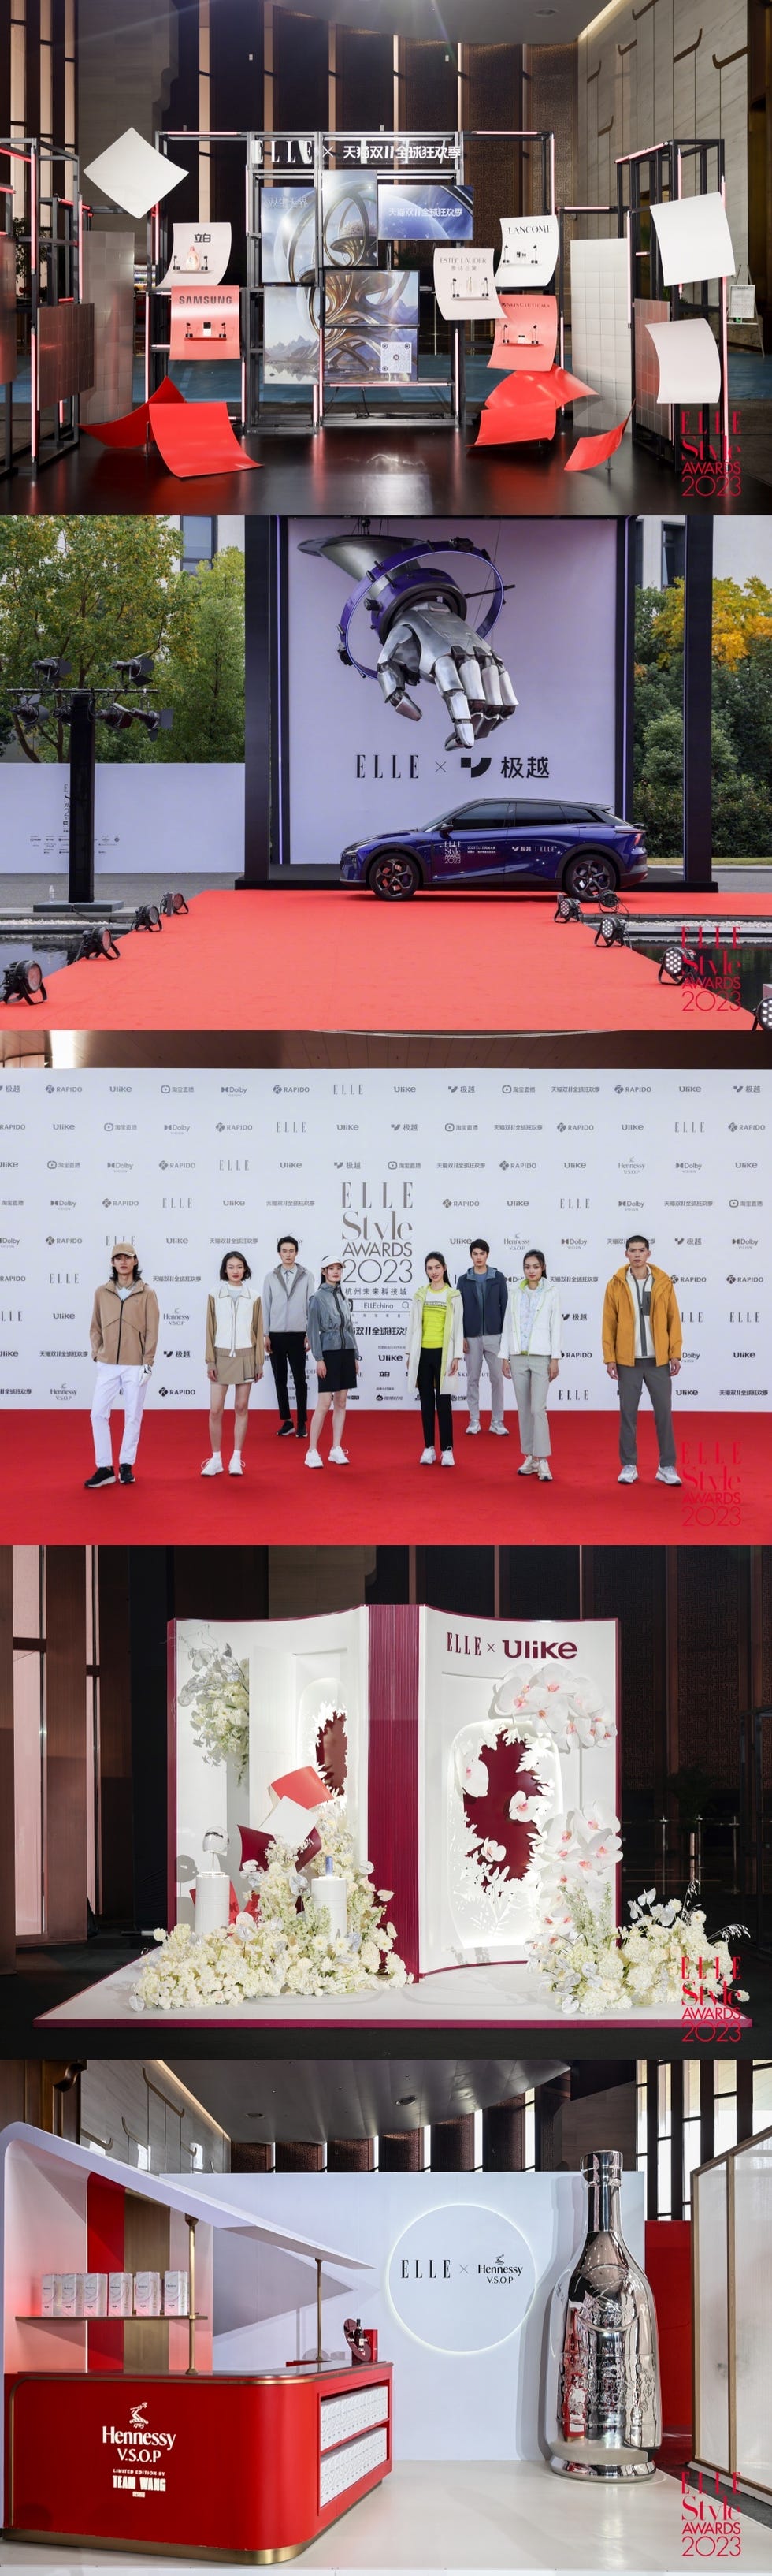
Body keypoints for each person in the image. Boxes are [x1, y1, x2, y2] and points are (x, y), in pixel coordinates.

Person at [602, 1234, 682, 1486]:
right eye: (632, 1250)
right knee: (628, 1414)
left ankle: (667, 1466)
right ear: (625, 1254)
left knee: (664, 1414)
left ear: (649, 1253)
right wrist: (610, 1357)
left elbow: (673, 1319)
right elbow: (609, 1323)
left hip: (657, 1360)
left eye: (641, 1250)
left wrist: (674, 1353)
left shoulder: (663, 1282)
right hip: (628, 1361)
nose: (637, 1254)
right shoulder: (615, 1284)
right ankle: (629, 1465)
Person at [85, 1243, 159, 1488]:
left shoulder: (147, 1293)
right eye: (118, 1258)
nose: (123, 1262)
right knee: (97, 1414)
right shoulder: (101, 1293)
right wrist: (98, 1353)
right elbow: (95, 1326)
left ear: (135, 1261)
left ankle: (126, 1464)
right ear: (113, 1263)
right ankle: (104, 1467)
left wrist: (147, 1361)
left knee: (132, 1416)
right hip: (107, 1364)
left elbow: (152, 1330)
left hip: (135, 1364)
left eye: (127, 1258)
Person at [500, 1249, 562, 1483]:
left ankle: (543, 1459)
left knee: (538, 1409)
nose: (531, 1270)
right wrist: (504, 1356)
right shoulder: (515, 1291)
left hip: (541, 1356)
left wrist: (555, 1358)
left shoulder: (552, 1292)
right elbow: (508, 1323)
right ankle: (530, 1458)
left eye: (535, 1266)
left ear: (543, 1267)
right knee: (524, 1410)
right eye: (527, 1267)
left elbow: (556, 1326)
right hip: (517, 1357)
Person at [202, 1253, 265, 1479]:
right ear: (225, 1270)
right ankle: (216, 1459)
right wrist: (210, 1359)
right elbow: (210, 1330)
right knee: (215, 1410)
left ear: (245, 1269)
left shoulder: (254, 1296)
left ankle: (236, 1458)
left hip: (246, 1356)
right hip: (220, 1357)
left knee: (241, 1408)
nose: (235, 1270)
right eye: (231, 1267)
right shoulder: (214, 1295)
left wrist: (259, 1363)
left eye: (239, 1267)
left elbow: (258, 1331)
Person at [406, 1252, 464, 1465]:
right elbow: (413, 1326)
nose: (434, 1272)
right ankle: (428, 1448)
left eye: (437, 1267)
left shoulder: (454, 1295)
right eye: (430, 1268)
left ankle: (447, 1450)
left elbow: (459, 1328)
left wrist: (457, 1355)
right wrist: (409, 1353)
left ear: (445, 1268)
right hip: (422, 1353)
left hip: (444, 1354)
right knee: (427, 1403)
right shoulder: (420, 1294)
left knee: (444, 1402)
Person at [306, 1257, 360, 1466]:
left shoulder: (343, 1295)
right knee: (324, 1403)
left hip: (346, 1351)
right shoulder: (317, 1298)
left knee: (341, 1401)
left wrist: (355, 1354)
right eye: (332, 1268)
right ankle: (312, 1451)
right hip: (328, 1352)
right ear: (324, 1271)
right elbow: (312, 1331)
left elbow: (350, 1327)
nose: (336, 1272)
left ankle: (336, 1448)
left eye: (339, 1268)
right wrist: (319, 1359)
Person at [263, 1235, 314, 1441]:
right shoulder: (270, 1277)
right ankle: (287, 1421)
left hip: (298, 1334)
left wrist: (310, 1334)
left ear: (296, 1252)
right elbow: (266, 1307)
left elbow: (312, 1306)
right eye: (284, 1251)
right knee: (280, 1380)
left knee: (301, 1380)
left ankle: (302, 1422)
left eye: (291, 1251)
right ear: (279, 1253)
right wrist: (266, 1334)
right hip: (275, 1335)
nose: (288, 1254)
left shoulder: (307, 1276)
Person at [456, 1237, 509, 1437]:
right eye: (475, 1254)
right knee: (472, 1379)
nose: (479, 1257)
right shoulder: (463, 1280)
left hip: (494, 1335)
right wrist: (461, 1336)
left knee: (497, 1379)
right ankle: (474, 1420)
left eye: (482, 1254)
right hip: (471, 1336)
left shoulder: (498, 1277)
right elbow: (458, 1310)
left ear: (487, 1255)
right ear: (471, 1256)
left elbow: (505, 1308)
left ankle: (497, 1421)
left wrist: (506, 1338)